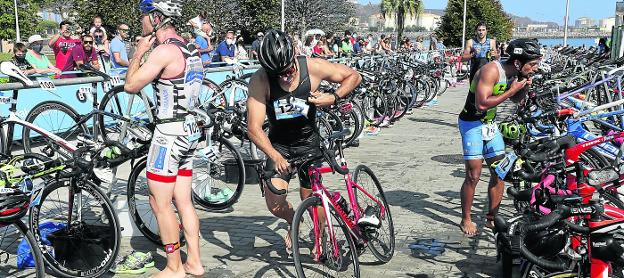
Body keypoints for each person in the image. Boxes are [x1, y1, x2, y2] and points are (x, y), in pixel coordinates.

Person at [247, 29, 362, 254]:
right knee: (275, 203)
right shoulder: (260, 80)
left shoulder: (312, 67)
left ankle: (320, 238)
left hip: (309, 144)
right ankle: (294, 220)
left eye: (288, 70)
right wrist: (274, 156)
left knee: (312, 199)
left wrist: (333, 96)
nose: (285, 77)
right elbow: (254, 127)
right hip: (279, 146)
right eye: (278, 73)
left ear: (294, 57)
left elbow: (354, 76)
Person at [124, 0, 205, 277]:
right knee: (183, 200)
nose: (142, 22)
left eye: (145, 17)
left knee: (160, 203)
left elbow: (131, 86)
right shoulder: (190, 47)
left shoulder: (164, 51)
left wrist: (138, 53)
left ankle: (174, 267)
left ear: (156, 18)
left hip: (169, 134)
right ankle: (194, 261)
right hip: (191, 130)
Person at [457, 38, 542, 236]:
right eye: (532, 65)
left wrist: (524, 87)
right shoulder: (491, 71)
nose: (535, 69)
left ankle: (492, 218)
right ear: (518, 62)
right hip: (471, 124)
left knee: (500, 171)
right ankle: (466, 218)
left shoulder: (516, 73)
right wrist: (512, 89)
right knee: (474, 175)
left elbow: (515, 99)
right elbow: (482, 104)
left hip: (489, 125)